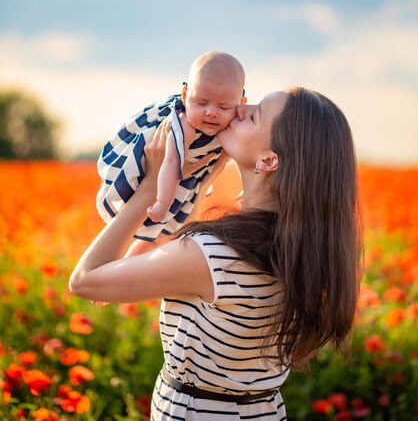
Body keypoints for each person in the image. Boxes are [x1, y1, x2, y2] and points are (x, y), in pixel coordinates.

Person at [70, 86, 363, 421]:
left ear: (269, 160)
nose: (238, 109)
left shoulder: (214, 256)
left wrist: (149, 190)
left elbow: (85, 280)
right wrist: (194, 187)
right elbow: (186, 253)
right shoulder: (300, 249)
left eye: (253, 115)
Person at [96, 51, 246, 243]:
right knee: (157, 228)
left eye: (224, 107)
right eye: (200, 103)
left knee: (168, 235)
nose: (211, 112)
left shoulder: (233, 125)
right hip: (160, 175)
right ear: (185, 95)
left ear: (241, 103)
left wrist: (245, 189)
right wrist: (162, 202)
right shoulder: (184, 124)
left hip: (188, 181)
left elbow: (243, 154)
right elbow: (171, 161)